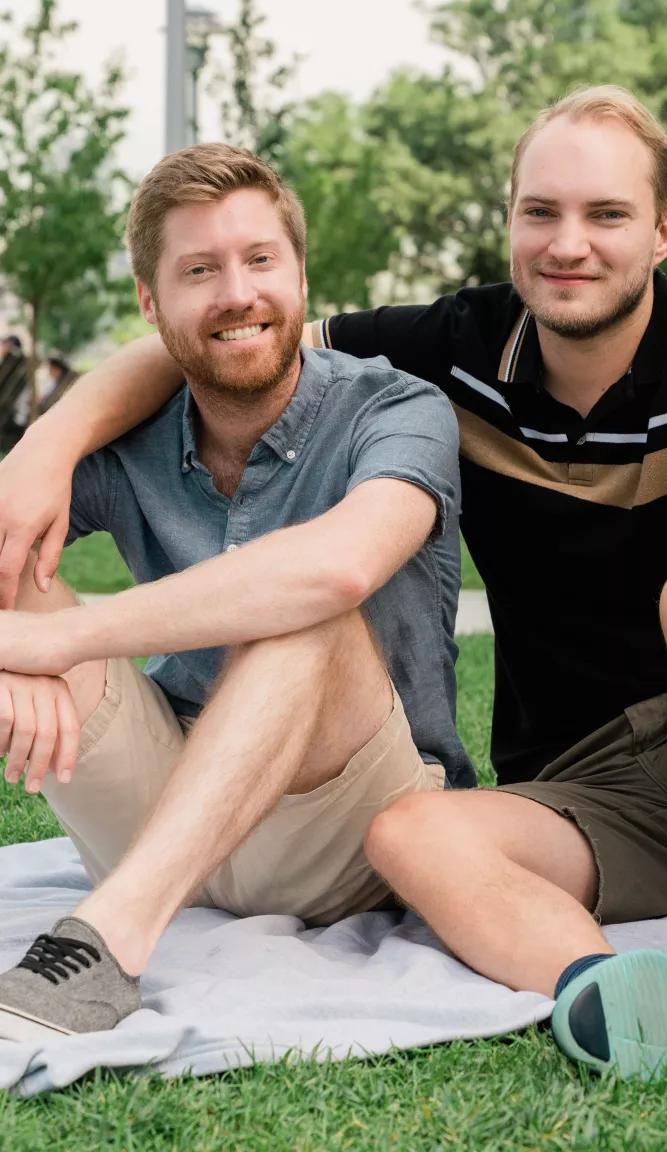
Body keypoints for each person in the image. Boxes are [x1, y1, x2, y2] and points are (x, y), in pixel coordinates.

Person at [0, 85, 667, 1077]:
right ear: (509, 225)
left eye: (606, 214)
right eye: (541, 212)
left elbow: (340, 560)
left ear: (663, 230)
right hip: (585, 779)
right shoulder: (460, 350)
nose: (568, 242)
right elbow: (228, 334)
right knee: (415, 837)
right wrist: (42, 446)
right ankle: (615, 999)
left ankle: (105, 946)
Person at [0, 142, 472, 1043]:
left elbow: (338, 567)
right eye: (200, 271)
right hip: (163, 799)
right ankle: (140, 897)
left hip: (348, 825)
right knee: (17, 552)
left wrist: (56, 643)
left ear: (301, 275)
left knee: (310, 609)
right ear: (152, 303)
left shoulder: (399, 410)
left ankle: (106, 945)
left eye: (261, 260)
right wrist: (15, 583)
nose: (237, 293)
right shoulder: (131, 437)